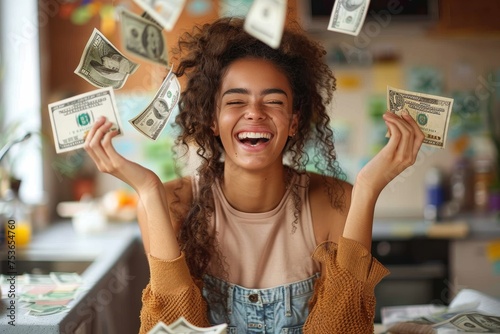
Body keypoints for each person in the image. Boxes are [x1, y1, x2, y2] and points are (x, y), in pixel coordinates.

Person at [84, 17, 424, 333]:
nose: (255, 114)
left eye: (273, 102)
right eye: (235, 101)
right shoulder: (170, 204)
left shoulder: (338, 202)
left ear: (293, 121)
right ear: (212, 119)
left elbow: (343, 327)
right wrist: (147, 190)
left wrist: (367, 190)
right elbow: (172, 327)